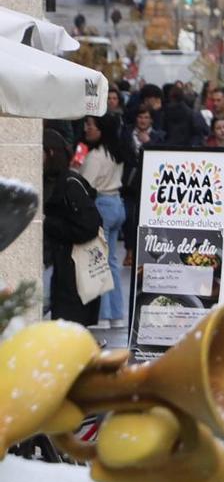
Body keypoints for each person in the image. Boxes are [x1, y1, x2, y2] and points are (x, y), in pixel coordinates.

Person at [43, 129, 102, 326]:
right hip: (61, 268)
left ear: (50, 153)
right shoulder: (54, 181)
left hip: (70, 270)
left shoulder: (68, 184)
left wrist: (48, 224)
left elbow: (88, 226)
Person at [78, 114, 127, 329]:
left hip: (102, 205)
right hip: (117, 203)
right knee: (112, 261)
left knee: (99, 260)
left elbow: (83, 185)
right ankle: (116, 314)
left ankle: (102, 315)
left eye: (90, 125)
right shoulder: (116, 153)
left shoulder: (96, 156)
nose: (86, 128)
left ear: (101, 129)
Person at [119, 105, 164, 267]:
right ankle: (130, 251)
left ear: (151, 119)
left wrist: (148, 143)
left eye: (146, 117)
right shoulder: (126, 134)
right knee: (129, 218)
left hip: (150, 185)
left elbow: (161, 157)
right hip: (129, 184)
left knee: (149, 220)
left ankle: (150, 253)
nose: (143, 120)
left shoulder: (159, 137)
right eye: (140, 117)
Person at [161, 83, 209, 148]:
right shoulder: (193, 114)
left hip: (167, 151)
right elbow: (205, 131)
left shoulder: (163, 114)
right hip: (188, 151)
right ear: (183, 96)